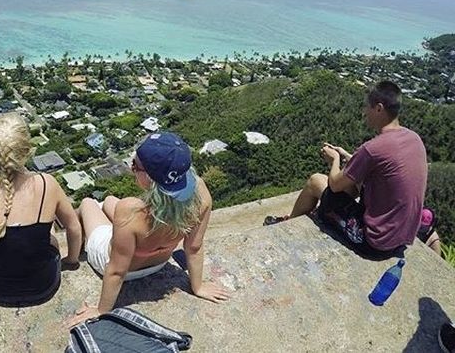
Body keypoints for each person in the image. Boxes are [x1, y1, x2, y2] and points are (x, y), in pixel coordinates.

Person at [68, 132, 230, 327]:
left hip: (119, 266)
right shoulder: (201, 194)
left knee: (87, 203)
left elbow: (116, 271)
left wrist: (102, 310)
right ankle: (106, 215)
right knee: (110, 200)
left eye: (135, 166)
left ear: (151, 178)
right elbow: (194, 247)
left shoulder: (130, 210)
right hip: (158, 263)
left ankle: (74, 254)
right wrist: (198, 287)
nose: (132, 168)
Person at [264, 81, 427, 258]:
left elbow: (334, 185)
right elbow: (382, 169)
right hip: (400, 238)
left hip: (373, 242)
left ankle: (288, 225)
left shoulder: (373, 148)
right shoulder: (414, 139)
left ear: (379, 108)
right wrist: (349, 157)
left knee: (315, 182)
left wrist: (334, 160)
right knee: (351, 186)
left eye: (367, 107)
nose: (365, 112)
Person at [0, 113, 81, 307]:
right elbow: (73, 227)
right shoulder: (46, 183)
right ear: (26, 150)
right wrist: (72, 260)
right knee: (50, 236)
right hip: (44, 285)